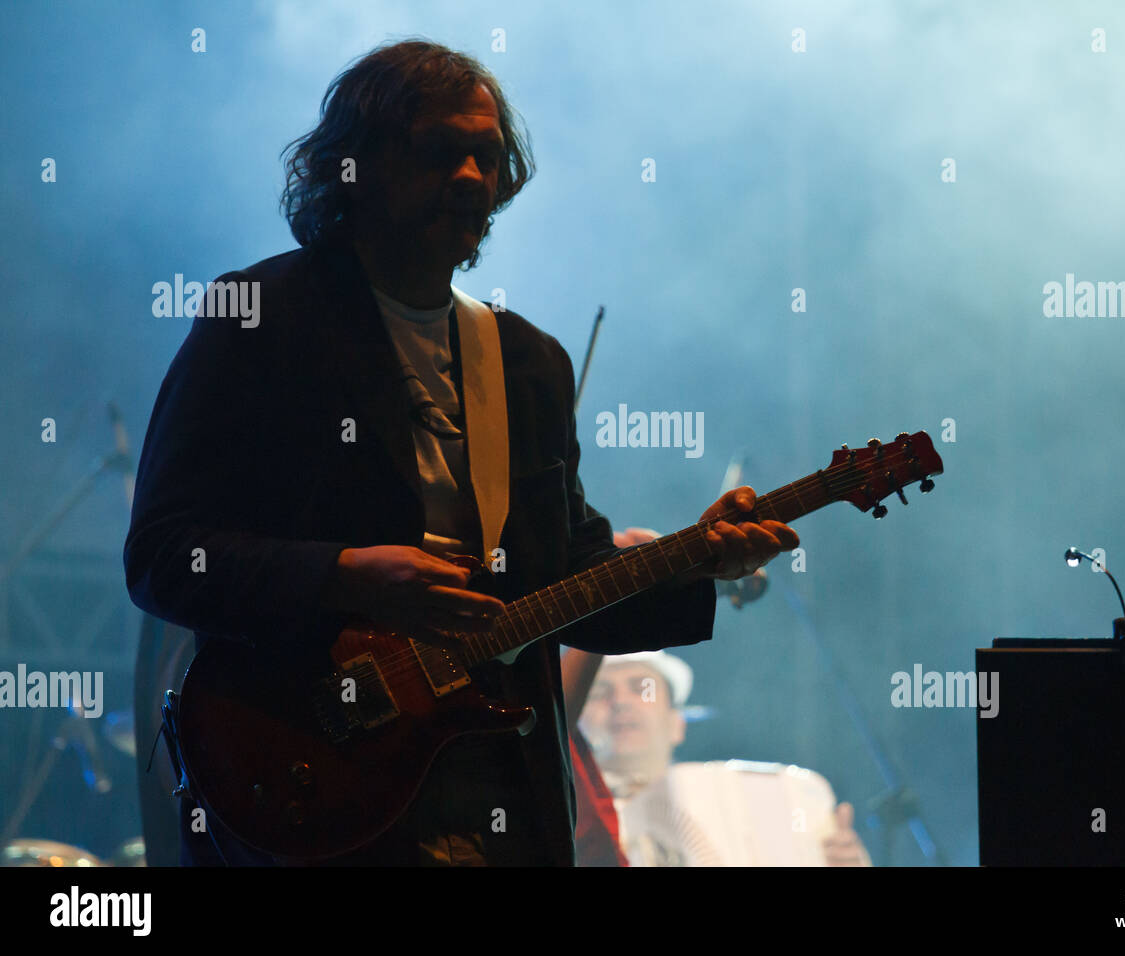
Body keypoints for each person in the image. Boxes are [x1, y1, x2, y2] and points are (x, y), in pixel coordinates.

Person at [122, 39, 797, 866]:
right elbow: (163, 556)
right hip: (310, 775)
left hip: (498, 795)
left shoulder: (526, 361)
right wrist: (345, 574)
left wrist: (700, 566)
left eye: (490, 157)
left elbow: (566, 580)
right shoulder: (260, 317)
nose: (474, 179)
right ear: (355, 169)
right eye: (441, 153)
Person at [573, 644, 871, 866]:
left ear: (677, 724)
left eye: (642, 689)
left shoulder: (769, 793)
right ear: (572, 721)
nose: (620, 703)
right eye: (600, 692)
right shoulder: (560, 821)